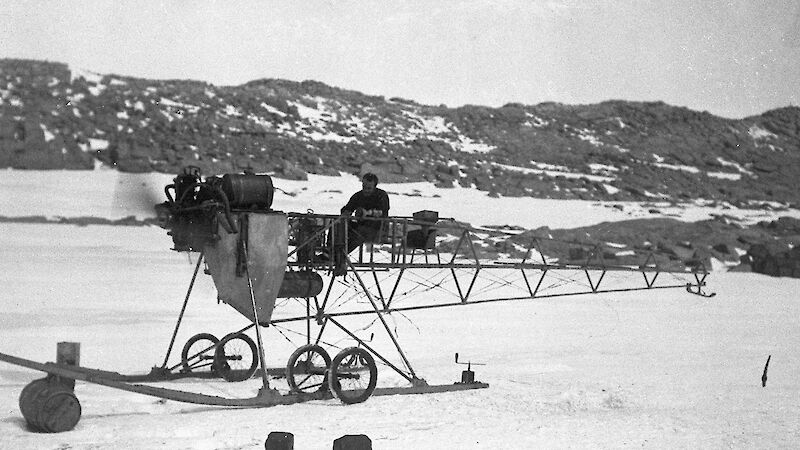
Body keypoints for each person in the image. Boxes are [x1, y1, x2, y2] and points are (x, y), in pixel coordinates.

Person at [339, 172, 390, 253]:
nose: (366, 190)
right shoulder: (358, 196)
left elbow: (382, 212)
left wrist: (367, 213)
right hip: (360, 226)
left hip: (376, 228)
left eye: (369, 188)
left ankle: (340, 254)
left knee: (358, 234)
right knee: (338, 225)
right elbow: (348, 208)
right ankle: (330, 250)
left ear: (374, 187)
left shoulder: (381, 195)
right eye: (364, 187)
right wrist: (346, 212)